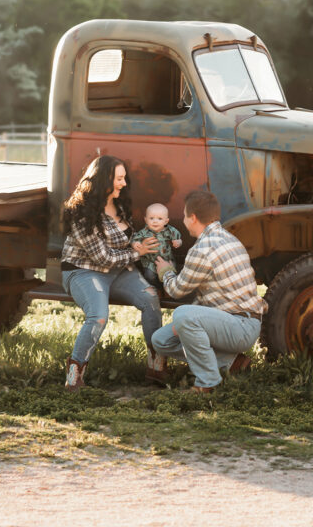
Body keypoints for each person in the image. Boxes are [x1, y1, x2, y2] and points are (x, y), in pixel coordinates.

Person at [60, 155, 165, 391]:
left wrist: (142, 243)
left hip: (119, 270)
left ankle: (156, 364)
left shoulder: (118, 204)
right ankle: (74, 376)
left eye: (124, 178)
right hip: (84, 272)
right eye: (119, 178)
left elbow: (125, 243)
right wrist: (137, 254)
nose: (123, 183)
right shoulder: (82, 213)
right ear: (103, 180)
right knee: (98, 315)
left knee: (150, 298)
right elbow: (103, 258)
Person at [150, 190, 266, 392]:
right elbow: (208, 297)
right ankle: (231, 363)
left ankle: (208, 383)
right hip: (237, 321)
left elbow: (177, 291)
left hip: (239, 326)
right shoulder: (229, 237)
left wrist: (165, 271)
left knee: (182, 314)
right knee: (160, 340)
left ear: (193, 218)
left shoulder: (202, 249)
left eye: (185, 216)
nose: (184, 220)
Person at [131, 203, 183, 290]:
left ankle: (168, 289)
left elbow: (178, 238)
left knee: (172, 270)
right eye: (151, 218)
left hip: (166, 260)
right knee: (149, 276)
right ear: (146, 220)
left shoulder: (170, 230)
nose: (155, 221)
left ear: (166, 221)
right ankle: (156, 289)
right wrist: (135, 244)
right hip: (150, 262)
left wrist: (178, 242)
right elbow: (135, 239)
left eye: (159, 218)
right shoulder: (144, 232)